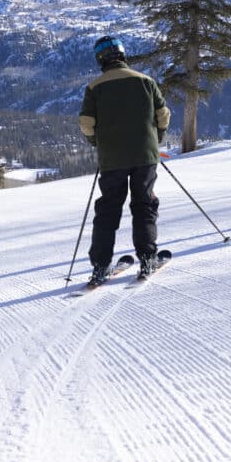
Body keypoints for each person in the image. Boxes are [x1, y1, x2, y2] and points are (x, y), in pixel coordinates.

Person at [79, 35, 171, 285]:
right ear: (123, 55)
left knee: (108, 209)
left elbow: (87, 124)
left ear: (100, 59)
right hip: (145, 156)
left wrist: (98, 143)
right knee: (144, 205)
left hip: (112, 159)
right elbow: (163, 115)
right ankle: (147, 258)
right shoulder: (146, 81)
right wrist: (155, 138)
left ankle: (100, 265)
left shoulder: (95, 87)